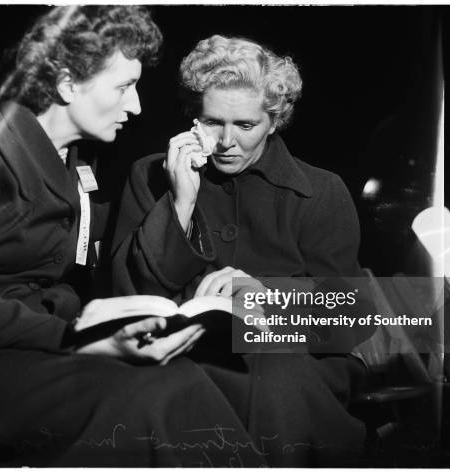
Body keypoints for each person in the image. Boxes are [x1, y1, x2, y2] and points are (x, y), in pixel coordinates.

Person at [0, 10, 272, 467]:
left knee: (180, 379)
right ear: (66, 84)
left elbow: (96, 249)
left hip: (16, 345)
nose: (137, 106)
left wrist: (180, 198)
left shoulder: (73, 162)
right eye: (124, 87)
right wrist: (78, 337)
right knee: (151, 394)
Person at [112, 35, 374, 465]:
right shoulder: (150, 176)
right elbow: (128, 294)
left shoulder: (321, 191)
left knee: (274, 379)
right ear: (193, 117)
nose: (226, 141)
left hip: (297, 367)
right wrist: (180, 203)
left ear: (274, 121)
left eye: (246, 126)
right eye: (213, 122)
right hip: (181, 356)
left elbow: (348, 321)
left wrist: (268, 297)